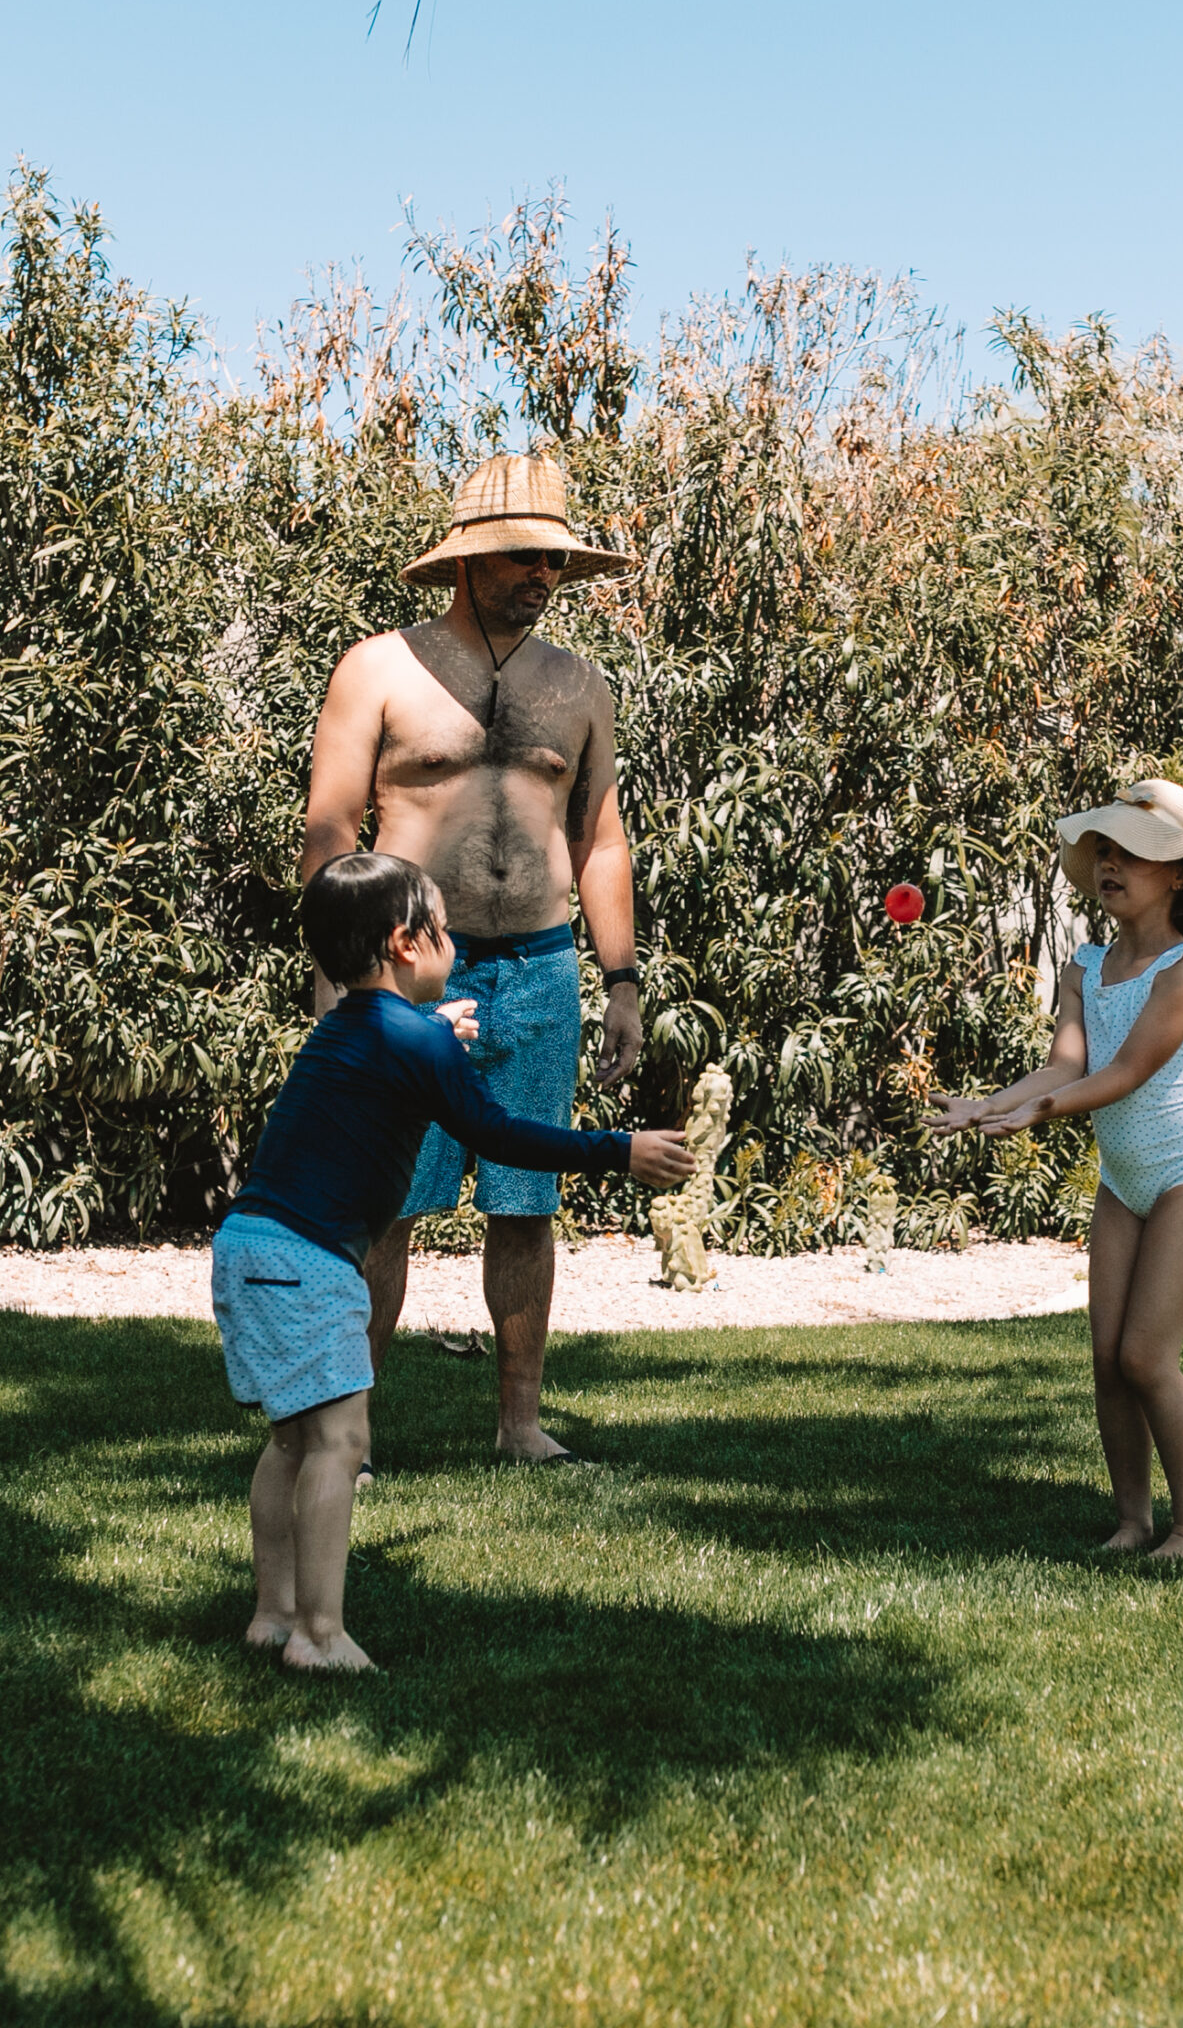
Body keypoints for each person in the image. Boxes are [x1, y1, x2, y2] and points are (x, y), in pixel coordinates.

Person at [212, 851, 693, 1671]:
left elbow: (389, 1050)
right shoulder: (416, 1043)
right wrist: (620, 1149)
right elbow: (498, 1134)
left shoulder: (352, 1027)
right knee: (338, 1441)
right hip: (310, 1263)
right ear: (406, 943)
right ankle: (321, 1637)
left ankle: (273, 1613)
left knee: (290, 1441)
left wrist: (436, 1034)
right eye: (443, 932)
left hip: (248, 1249)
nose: (451, 947)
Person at [302, 452, 643, 1465]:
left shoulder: (580, 686)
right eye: (522, 557)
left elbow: (601, 838)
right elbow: (329, 830)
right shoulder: (378, 668)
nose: (541, 574)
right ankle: (347, 1428)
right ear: (466, 562)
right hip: (403, 976)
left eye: (553, 558)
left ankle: (520, 1421)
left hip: (539, 968)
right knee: (388, 1201)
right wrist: (335, 979)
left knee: (524, 1201)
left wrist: (620, 983)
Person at [928, 780, 1183, 1559]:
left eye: (1134, 852)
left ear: (1179, 874)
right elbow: (1065, 1063)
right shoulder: (1085, 965)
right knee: (1105, 1359)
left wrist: (1042, 1112)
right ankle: (1132, 1522)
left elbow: (1124, 1072)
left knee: (1145, 1356)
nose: (1110, 863)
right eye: (1103, 849)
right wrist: (990, 1103)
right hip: (1123, 1181)